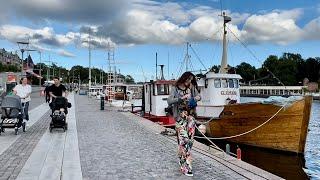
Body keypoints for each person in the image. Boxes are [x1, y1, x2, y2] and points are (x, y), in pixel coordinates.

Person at [167, 72, 201, 177]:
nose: (189, 82)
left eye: (191, 80)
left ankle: (181, 158)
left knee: (189, 142)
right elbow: (169, 101)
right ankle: (186, 168)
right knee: (184, 140)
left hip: (190, 118)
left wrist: (194, 99)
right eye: (188, 80)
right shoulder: (175, 88)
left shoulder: (192, 87)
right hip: (180, 119)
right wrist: (180, 99)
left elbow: (199, 96)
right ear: (184, 78)